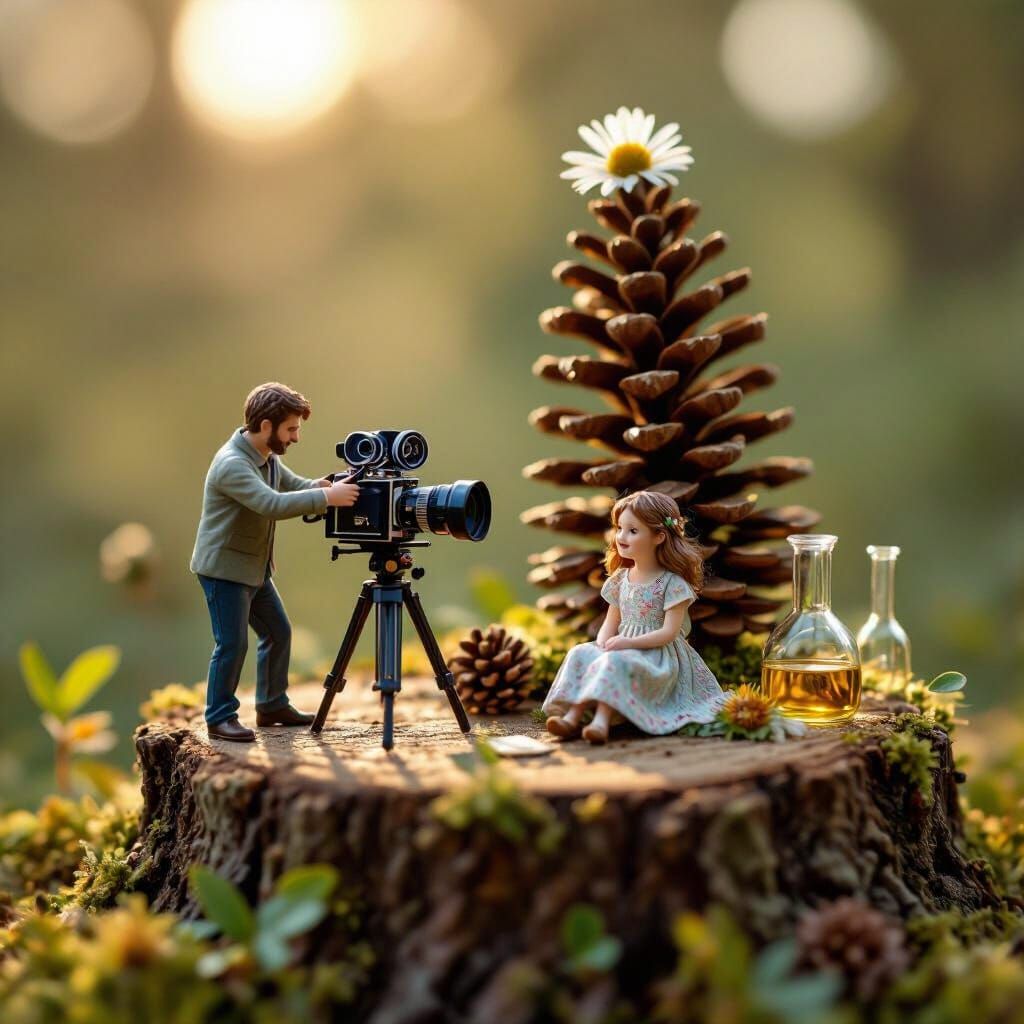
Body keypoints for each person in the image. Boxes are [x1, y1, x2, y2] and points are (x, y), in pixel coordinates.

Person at [190, 382, 360, 742]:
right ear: (266, 426)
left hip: (253, 568)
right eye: (291, 429)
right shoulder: (233, 465)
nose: (296, 437)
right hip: (225, 570)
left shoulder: (266, 457)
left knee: (278, 632)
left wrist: (328, 483)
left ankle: (271, 705)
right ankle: (219, 716)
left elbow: (293, 486)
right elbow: (271, 504)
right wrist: (328, 498)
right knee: (232, 644)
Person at [543, 490, 726, 744]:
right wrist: (603, 643)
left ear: (659, 536)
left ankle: (601, 722)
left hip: (657, 656)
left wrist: (627, 644)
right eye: (619, 528)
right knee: (581, 652)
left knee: (615, 663)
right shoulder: (620, 579)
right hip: (620, 646)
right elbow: (610, 622)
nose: (621, 537)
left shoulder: (672, 584)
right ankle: (572, 717)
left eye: (633, 531)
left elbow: (669, 633)